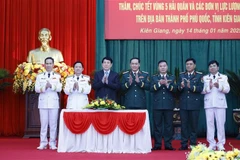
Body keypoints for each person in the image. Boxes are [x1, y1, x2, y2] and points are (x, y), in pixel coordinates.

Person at [202, 60, 230, 151]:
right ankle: (211, 143)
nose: (212, 67)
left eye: (214, 66)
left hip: (220, 103)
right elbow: (201, 91)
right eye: (210, 66)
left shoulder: (223, 77)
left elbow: (227, 89)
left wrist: (219, 86)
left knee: (220, 124)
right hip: (209, 103)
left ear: (218, 67)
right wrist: (209, 87)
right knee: (210, 124)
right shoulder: (205, 78)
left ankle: (221, 144)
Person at [35, 57, 62, 150]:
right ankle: (43, 143)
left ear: (53, 65)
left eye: (50, 63)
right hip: (43, 102)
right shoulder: (39, 76)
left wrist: (52, 86)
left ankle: (52, 143)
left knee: (53, 124)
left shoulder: (57, 76)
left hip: (53, 102)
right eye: (47, 63)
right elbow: (36, 89)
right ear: (44, 65)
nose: (49, 65)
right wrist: (44, 87)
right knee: (44, 124)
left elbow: (59, 88)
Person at [177, 58, 204, 150]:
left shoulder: (199, 76)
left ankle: (193, 144)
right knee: (184, 125)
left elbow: (201, 89)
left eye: (190, 64)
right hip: (184, 104)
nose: (188, 66)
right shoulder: (181, 75)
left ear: (194, 65)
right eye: (187, 64)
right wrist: (181, 86)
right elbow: (177, 89)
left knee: (193, 125)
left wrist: (191, 87)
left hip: (194, 104)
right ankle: (184, 144)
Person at [150, 60, 177, 151]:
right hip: (157, 105)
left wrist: (167, 84)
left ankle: (168, 144)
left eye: (164, 66)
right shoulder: (154, 78)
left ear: (167, 67)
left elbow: (175, 90)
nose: (162, 67)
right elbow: (151, 89)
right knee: (157, 126)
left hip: (168, 105)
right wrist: (159, 84)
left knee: (169, 126)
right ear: (158, 68)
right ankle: (157, 144)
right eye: (161, 66)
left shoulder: (172, 77)